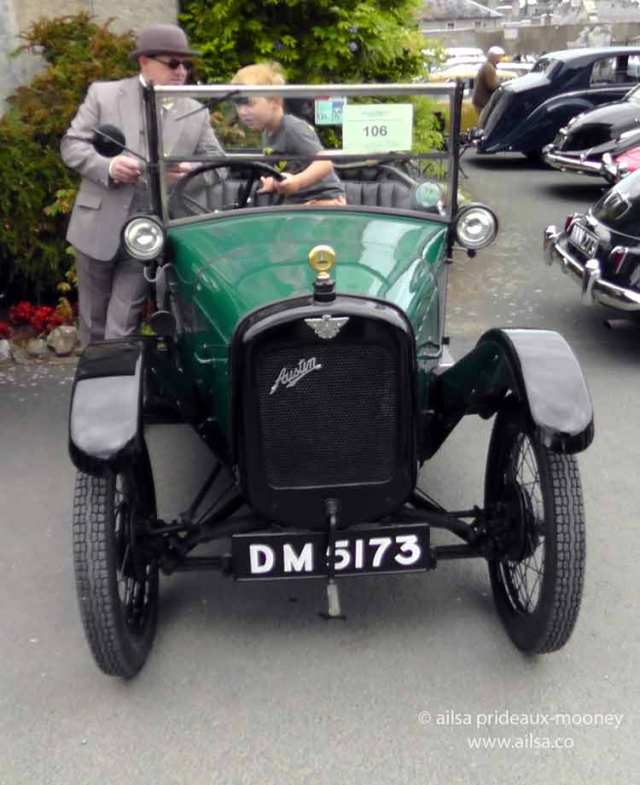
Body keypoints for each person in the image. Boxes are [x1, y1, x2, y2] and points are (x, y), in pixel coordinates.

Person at [61, 24, 224, 347]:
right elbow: (72, 145)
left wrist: (191, 171)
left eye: (186, 65)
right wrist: (108, 166)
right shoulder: (104, 94)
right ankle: (93, 388)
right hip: (98, 224)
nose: (182, 72)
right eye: (173, 64)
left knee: (123, 324)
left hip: (150, 231)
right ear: (144, 62)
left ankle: (114, 390)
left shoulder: (194, 110)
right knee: (92, 322)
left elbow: (217, 164)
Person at [230, 63, 346, 206]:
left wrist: (297, 181)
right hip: (297, 202)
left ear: (275, 101)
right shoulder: (267, 131)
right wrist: (273, 182)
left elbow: (325, 163)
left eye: (249, 104)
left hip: (323, 201)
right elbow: (286, 169)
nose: (242, 112)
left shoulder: (292, 128)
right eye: (238, 105)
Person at [472, 46, 505, 118]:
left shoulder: (487, 66)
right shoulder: (488, 68)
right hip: (483, 103)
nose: (499, 60)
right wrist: (501, 85)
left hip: (481, 103)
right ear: (493, 57)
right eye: (499, 57)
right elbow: (492, 85)